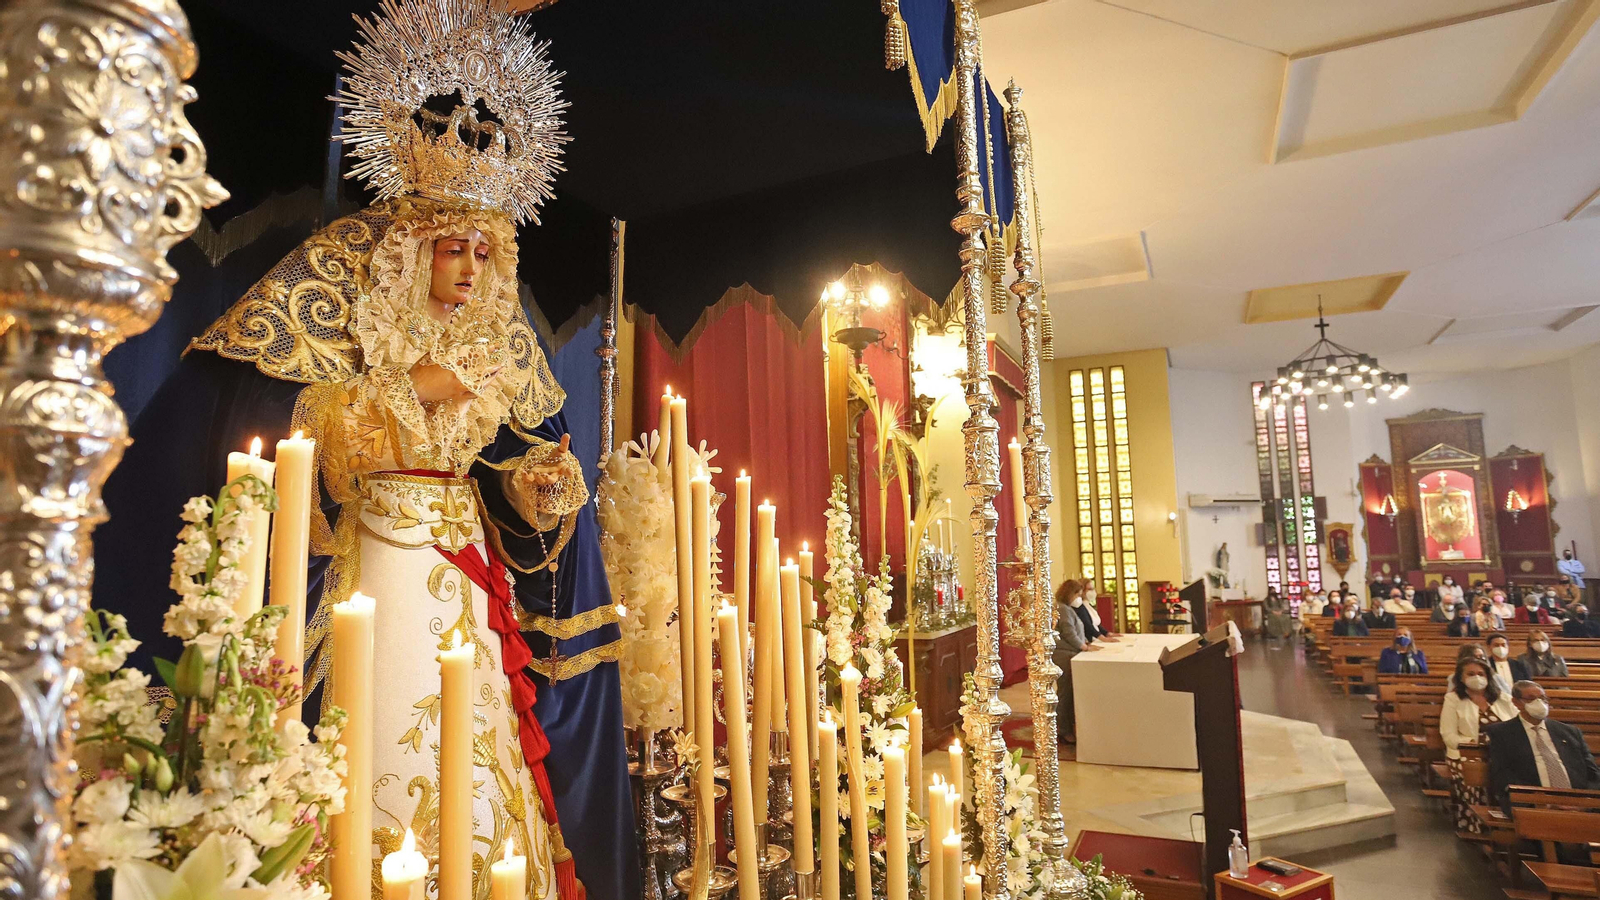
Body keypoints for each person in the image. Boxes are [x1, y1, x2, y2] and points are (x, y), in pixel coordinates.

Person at [90, 5, 637, 895]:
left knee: (478, 763)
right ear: (413, 249)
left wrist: (535, 489)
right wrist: (410, 390)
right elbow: (279, 432)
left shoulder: (496, 329)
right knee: (373, 743)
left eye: (483, 252)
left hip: (464, 579)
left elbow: (511, 456)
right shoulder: (344, 272)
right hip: (372, 564)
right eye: (454, 250)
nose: (472, 271)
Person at [1487, 681, 1600, 815]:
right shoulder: (1502, 733)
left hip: (1580, 804)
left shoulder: (1570, 732)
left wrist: (1586, 803)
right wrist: (1539, 803)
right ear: (1516, 702)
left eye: (1542, 698)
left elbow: (1593, 773)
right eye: (1531, 699)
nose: (1539, 703)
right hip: (1535, 805)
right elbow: (1502, 775)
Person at [1441, 658, 1517, 834]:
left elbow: (1517, 726)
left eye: (1481, 674)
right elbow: (1448, 735)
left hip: (1503, 753)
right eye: (1471, 674)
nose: (1477, 677)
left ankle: (1513, 827)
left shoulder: (1503, 698)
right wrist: (1474, 744)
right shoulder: (1453, 699)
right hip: (1466, 754)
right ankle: (1477, 825)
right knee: (1476, 775)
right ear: (1461, 678)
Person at [1054, 579, 1101, 744]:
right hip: (1064, 655)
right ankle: (1063, 729)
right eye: (1077, 594)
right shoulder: (1063, 609)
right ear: (1070, 594)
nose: (1079, 598)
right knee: (1065, 693)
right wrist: (1083, 646)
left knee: (1069, 692)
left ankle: (1069, 726)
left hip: (1070, 653)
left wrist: (1084, 643)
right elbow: (1069, 633)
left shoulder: (1067, 609)